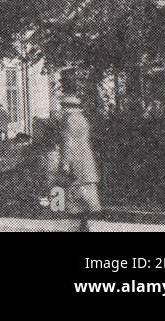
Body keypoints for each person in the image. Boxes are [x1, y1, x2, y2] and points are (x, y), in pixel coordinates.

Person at [57, 95, 101, 231]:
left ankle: (79, 226)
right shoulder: (83, 120)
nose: (62, 110)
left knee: (75, 194)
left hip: (75, 161)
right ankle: (86, 224)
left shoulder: (69, 120)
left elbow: (68, 143)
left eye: (63, 107)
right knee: (87, 194)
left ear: (67, 108)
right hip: (86, 160)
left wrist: (64, 163)